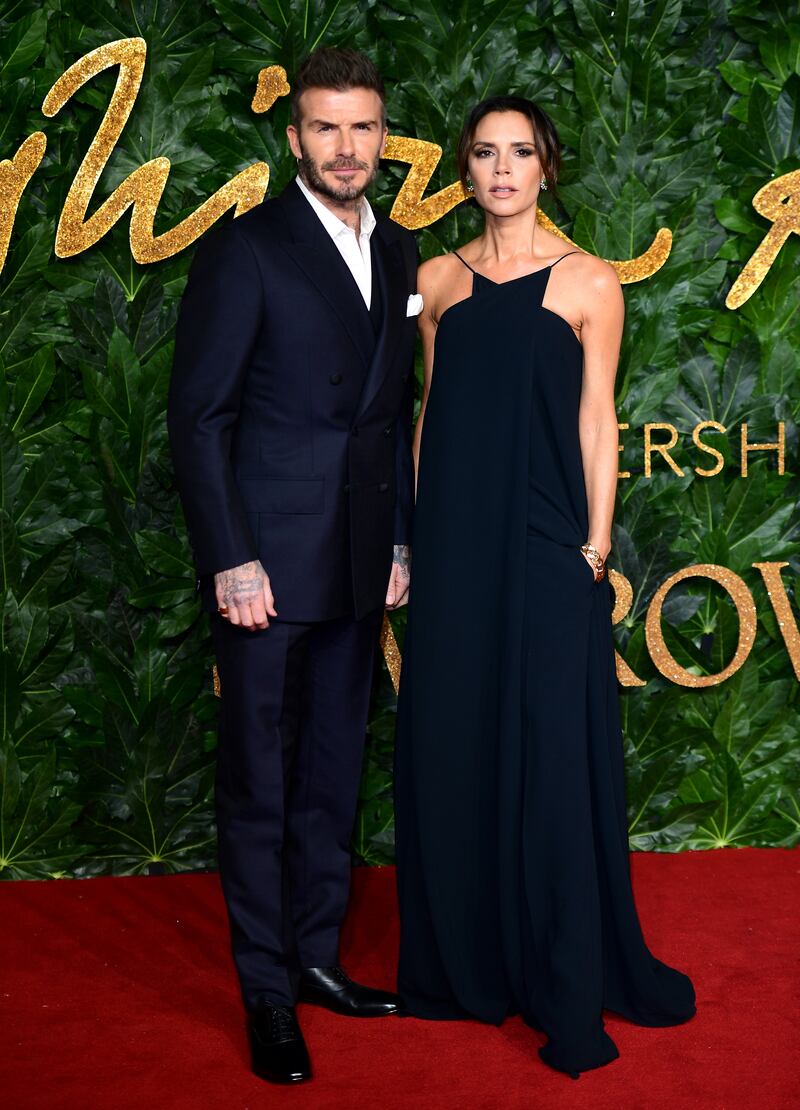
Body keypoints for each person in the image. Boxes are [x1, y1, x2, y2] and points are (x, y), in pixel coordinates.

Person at [394, 95, 696, 1078]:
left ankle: (564, 974)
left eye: (518, 152)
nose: (500, 169)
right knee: (455, 744)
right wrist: (412, 543)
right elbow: (430, 414)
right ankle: (463, 966)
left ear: (545, 167)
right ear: (466, 168)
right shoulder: (435, 280)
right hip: (452, 550)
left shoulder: (589, 281)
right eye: (484, 153)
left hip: (544, 543)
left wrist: (593, 547)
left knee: (552, 758)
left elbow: (598, 419)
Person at [168, 47, 420, 1086]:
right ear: (295, 137)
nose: (346, 147)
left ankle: (316, 959)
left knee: (329, 778)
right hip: (266, 571)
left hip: (358, 562)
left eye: (362, 127)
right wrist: (232, 558)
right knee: (259, 787)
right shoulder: (248, 249)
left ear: (383, 136)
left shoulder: (399, 249)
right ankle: (266, 994)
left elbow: (391, 415)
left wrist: (398, 539)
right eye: (326, 127)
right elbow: (200, 417)